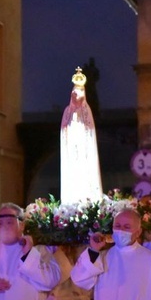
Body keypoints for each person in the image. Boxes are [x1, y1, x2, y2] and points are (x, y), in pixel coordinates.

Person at [59, 67, 102, 203]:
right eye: (75, 91)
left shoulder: (86, 111)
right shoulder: (67, 111)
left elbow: (90, 130)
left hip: (84, 151)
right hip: (71, 150)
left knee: (85, 174)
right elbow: (64, 129)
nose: (77, 94)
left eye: (81, 91)